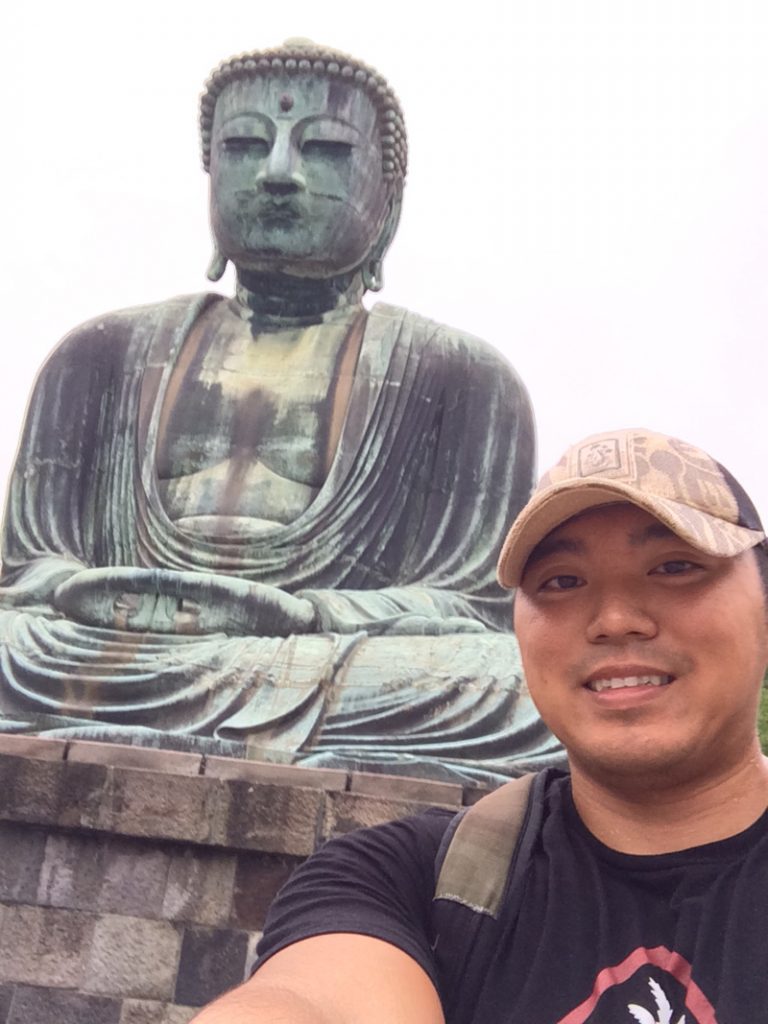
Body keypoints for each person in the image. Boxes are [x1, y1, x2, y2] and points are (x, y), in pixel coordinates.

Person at [0, 40, 560, 782]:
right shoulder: (103, 353)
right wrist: (82, 589)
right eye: (244, 145)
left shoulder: (461, 378)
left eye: (324, 148)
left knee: (510, 686)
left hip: (316, 660)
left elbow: (471, 605)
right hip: (93, 645)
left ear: (386, 199)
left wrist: (307, 616)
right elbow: (27, 566)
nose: (277, 173)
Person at [191, 427, 768, 1022]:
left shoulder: (464, 372)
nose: (615, 619)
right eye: (562, 581)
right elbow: (309, 998)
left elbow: (445, 597)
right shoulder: (403, 880)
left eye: (674, 566)